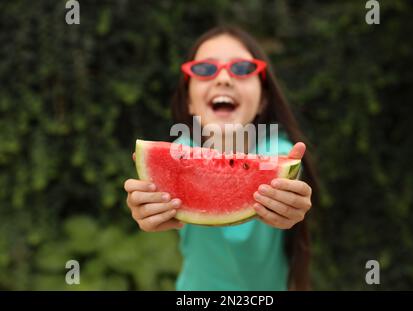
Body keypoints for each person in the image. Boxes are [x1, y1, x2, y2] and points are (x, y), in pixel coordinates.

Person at [124, 25, 319, 291]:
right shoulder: (181, 148)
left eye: (242, 69)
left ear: (262, 100)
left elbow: (290, 180)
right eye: (204, 70)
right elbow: (157, 199)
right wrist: (147, 207)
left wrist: (294, 203)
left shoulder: (281, 152)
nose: (224, 78)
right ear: (190, 102)